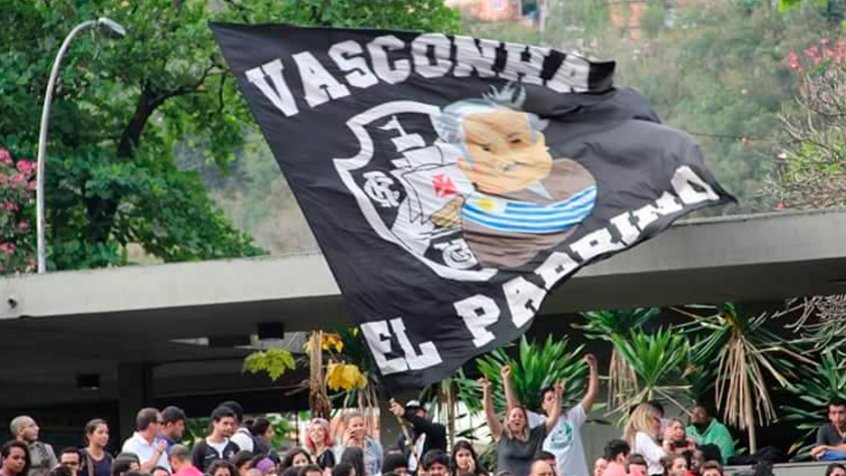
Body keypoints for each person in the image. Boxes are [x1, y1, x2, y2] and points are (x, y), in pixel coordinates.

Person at [506, 355, 599, 476]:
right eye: (549, 399)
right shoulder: (539, 422)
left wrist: (593, 367)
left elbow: (592, 394)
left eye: (555, 397)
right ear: (543, 405)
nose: (554, 400)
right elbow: (514, 407)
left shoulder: (573, 417)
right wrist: (506, 379)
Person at [481, 367, 562, 476]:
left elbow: (553, 419)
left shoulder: (535, 435)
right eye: (513, 416)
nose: (517, 418)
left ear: (525, 422)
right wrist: (486, 390)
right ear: (508, 421)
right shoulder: (502, 436)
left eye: (520, 416)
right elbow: (489, 413)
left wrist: (558, 398)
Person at [389, 399, 447, 476]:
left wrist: (405, 414)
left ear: (425, 413)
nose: (413, 414)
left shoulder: (436, 430)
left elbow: (424, 424)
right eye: (410, 412)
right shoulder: (405, 436)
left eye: (417, 411)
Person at [625, 403, 670, 476]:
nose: (660, 424)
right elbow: (660, 457)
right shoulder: (642, 436)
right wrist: (668, 438)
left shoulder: (645, 437)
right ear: (645, 419)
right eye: (656, 419)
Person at [191, 406, 241, 472]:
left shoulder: (234, 447)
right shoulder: (200, 448)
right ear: (215, 423)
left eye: (231, 424)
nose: (229, 427)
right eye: (225, 423)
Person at [121, 408, 169, 473]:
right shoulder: (131, 445)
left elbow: (168, 470)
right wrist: (158, 452)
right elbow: (141, 471)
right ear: (151, 425)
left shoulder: (158, 444)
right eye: (161, 423)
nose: (163, 426)